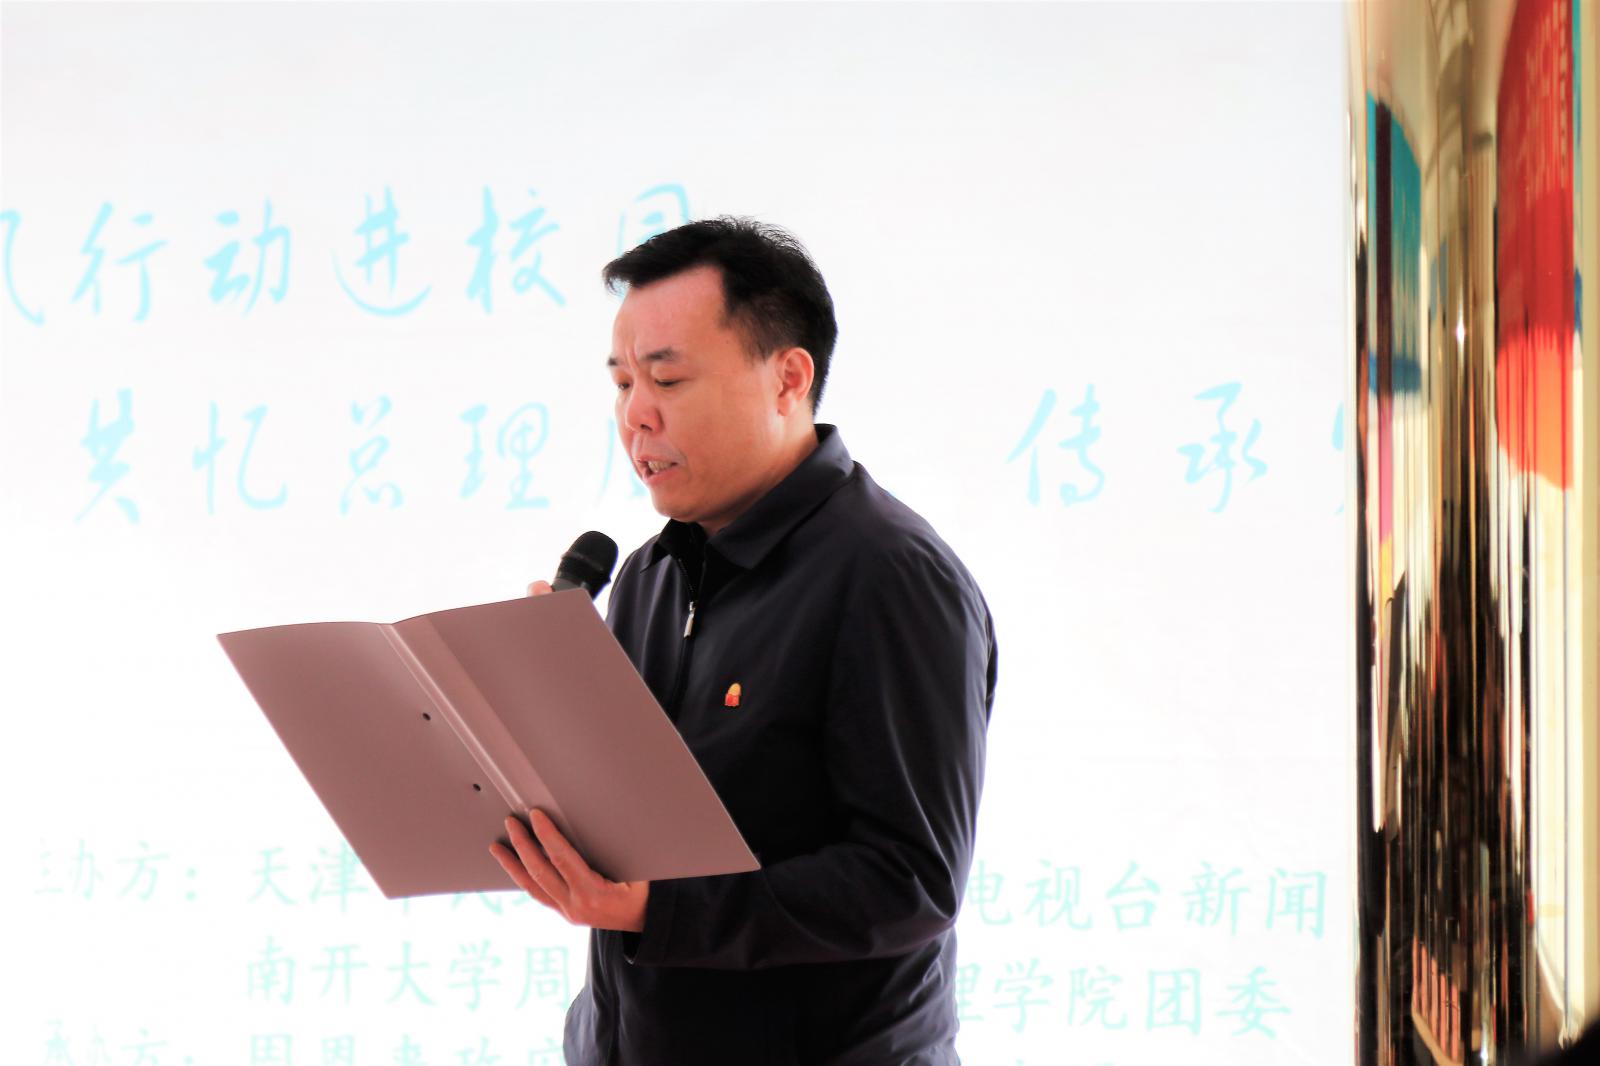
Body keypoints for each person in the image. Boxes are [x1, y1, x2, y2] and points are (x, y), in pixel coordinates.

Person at [489, 216, 998, 1065]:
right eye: (622, 383)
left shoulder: (891, 576)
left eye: (668, 378)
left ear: (788, 379)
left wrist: (660, 909)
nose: (636, 415)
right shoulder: (649, 577)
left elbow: (910, 880)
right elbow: (640, 836)